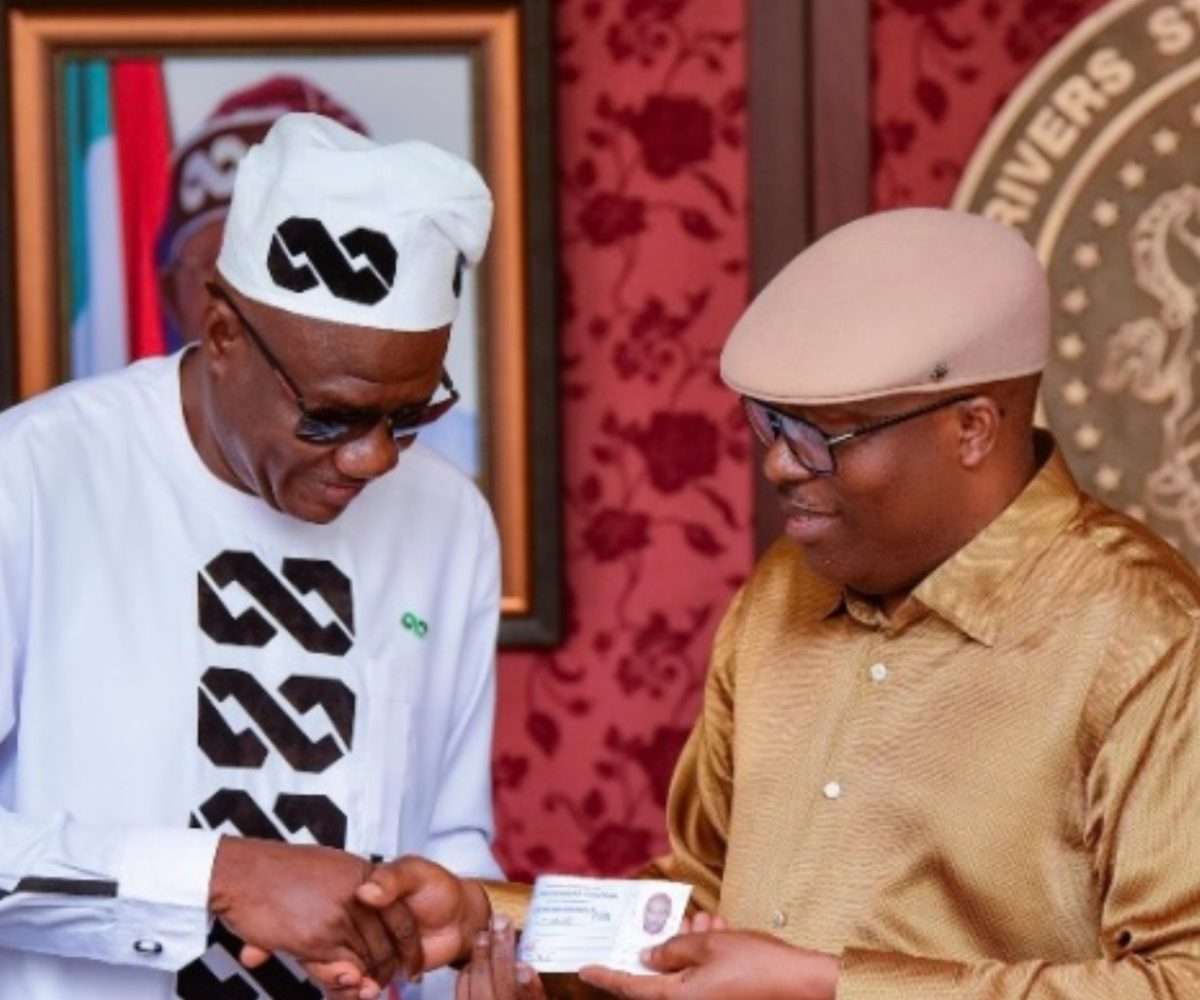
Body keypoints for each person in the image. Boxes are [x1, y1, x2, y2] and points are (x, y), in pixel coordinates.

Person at [359, 208, 1200, 998]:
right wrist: (492, 920)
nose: (779, 465)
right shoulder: (785, 590)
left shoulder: (1147, 636)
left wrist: (822, 984)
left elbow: (1182, 978)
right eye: (768, 424)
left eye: (822, 437)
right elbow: (701, 902)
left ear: (972, 428)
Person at [0, 112, 502, 1000]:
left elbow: (452, 840)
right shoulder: (33, 477)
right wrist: (220, 877)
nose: (373, 458)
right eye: (333, 416)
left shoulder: (450, 521)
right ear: (224, 332)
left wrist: (462, 934)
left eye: (411, 415)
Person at [158, 75, 481, 478]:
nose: (252, 303)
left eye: (305, 267)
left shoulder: (460, 473)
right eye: (222, 263)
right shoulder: (87, 459)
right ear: (172, 298)